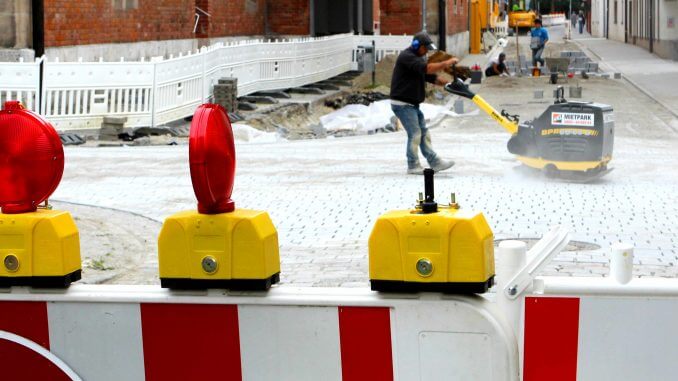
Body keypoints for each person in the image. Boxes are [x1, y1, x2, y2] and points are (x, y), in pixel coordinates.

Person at [390, 32, 457, 175]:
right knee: (415, 134)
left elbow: (431, 77)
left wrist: (450, 85)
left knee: (423, 133)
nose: (426, 51)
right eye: (425, 48)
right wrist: (446, 63)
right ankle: (413, 165)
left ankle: (435, 162)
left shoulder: (417, 59)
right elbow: (428, 68)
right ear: (416, 45)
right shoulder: (407, 57)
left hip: (411, 104)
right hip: (402, 104)